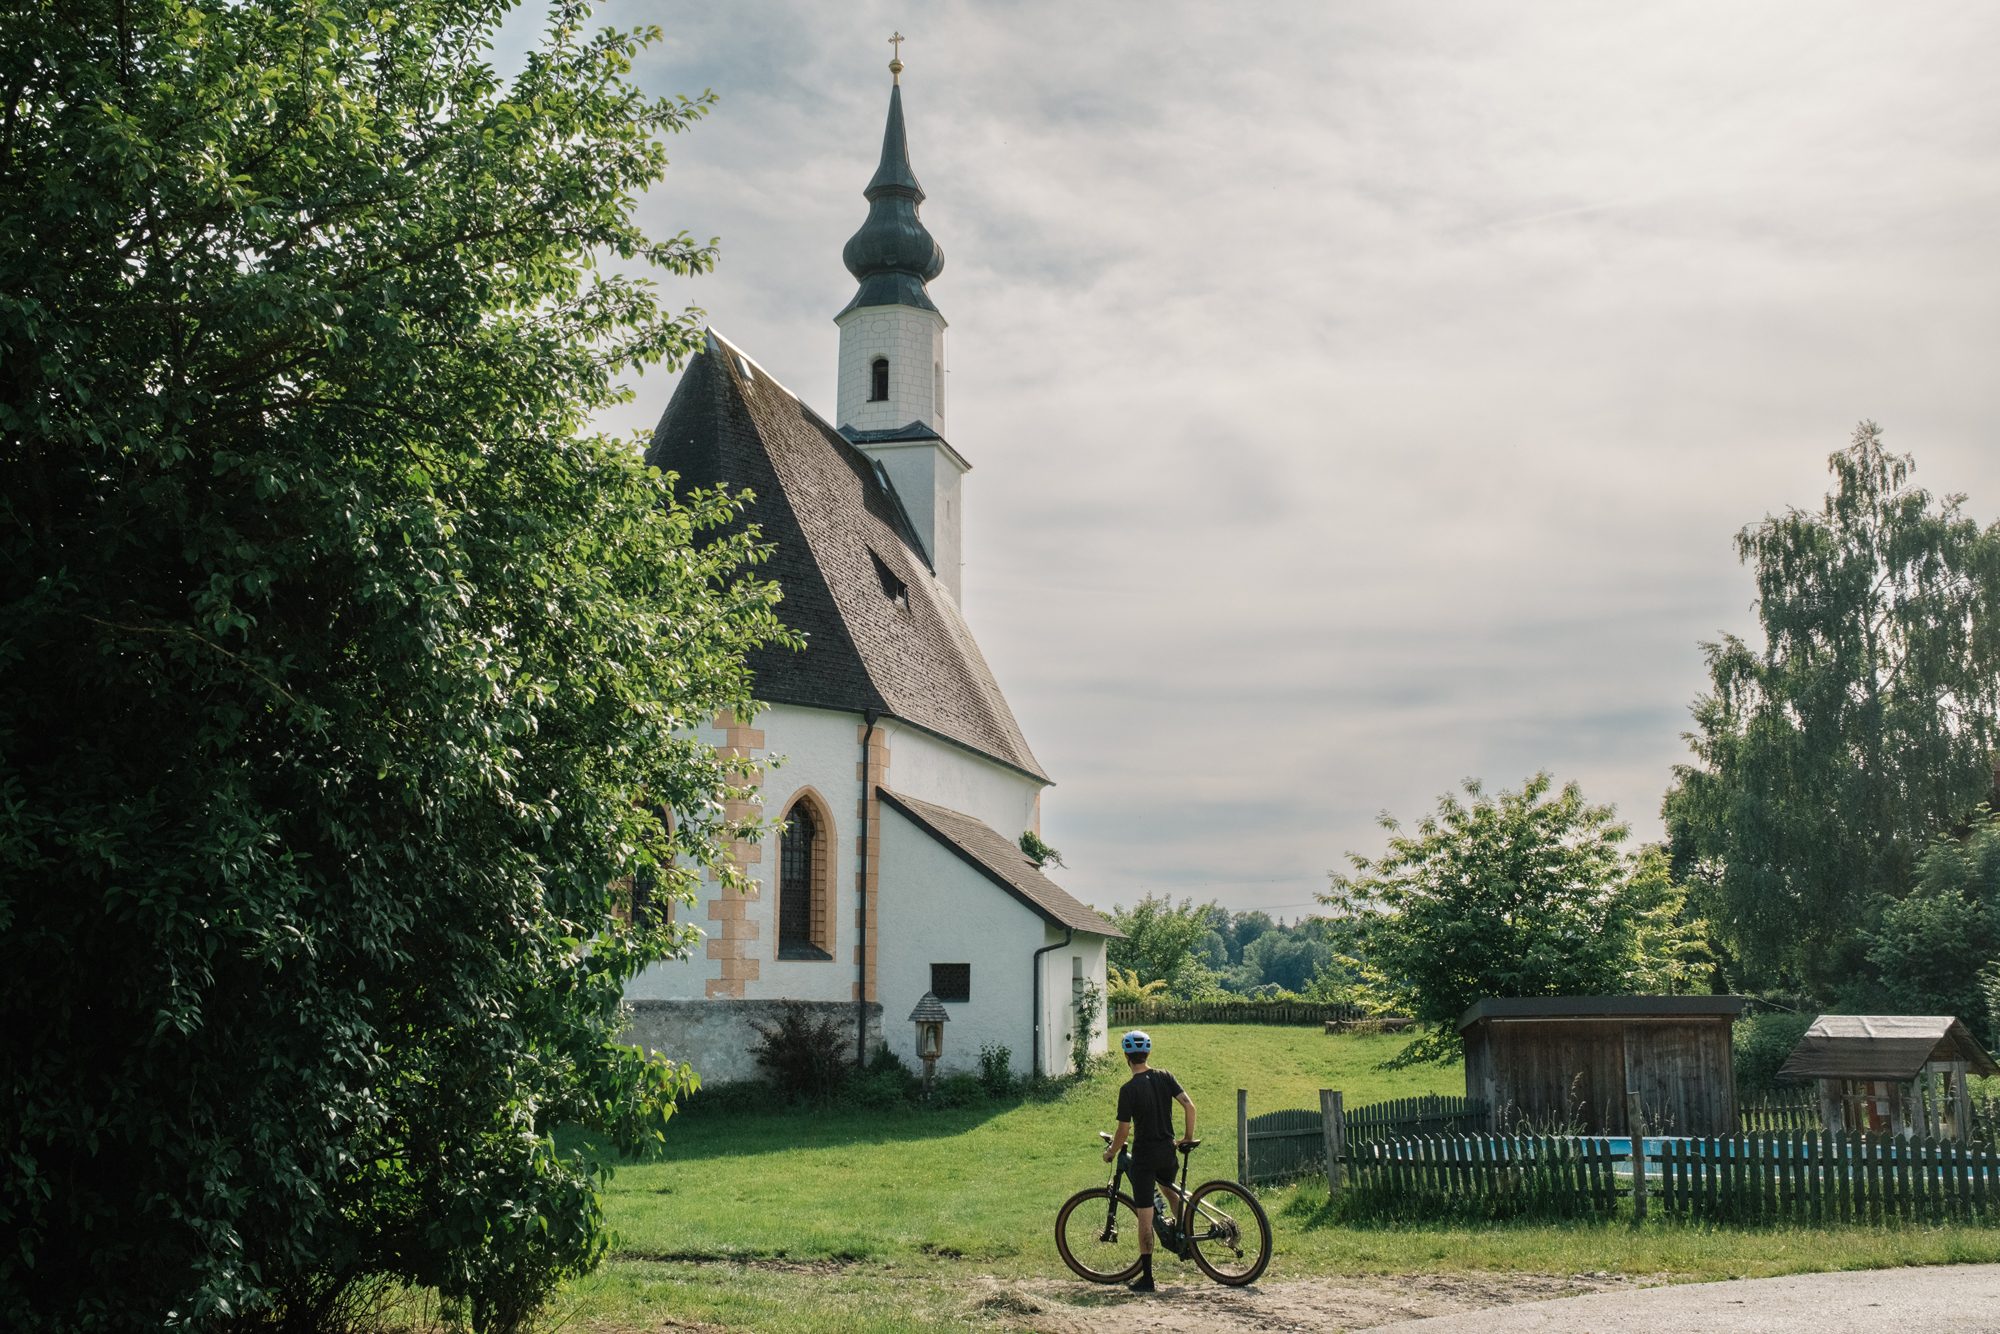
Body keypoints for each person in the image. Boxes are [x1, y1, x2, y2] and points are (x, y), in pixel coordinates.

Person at [1101, 1029, 1196, 1292]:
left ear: (1126, 1057)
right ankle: (1184, 1240)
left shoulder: (1128, 1089)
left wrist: (1111, 1152)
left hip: (1144, 1158)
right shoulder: (1165, 1077)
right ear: (1148, 1053)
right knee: (1171, 1193)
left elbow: (1122, 1131)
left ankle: (1148, 1279)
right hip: (1168, 1151)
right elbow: (1190, 1106)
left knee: (1145, 1216)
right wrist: (1187, 1136)